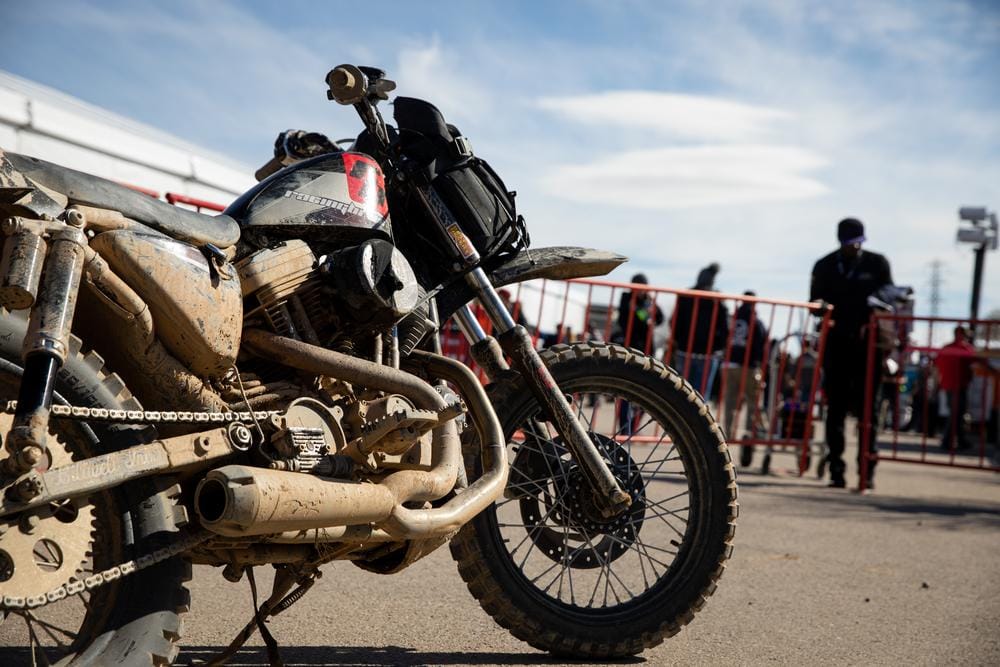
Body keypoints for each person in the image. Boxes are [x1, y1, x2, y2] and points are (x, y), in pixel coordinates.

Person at [810, 218, 893, 489]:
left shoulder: (877, 264)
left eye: (858, 242)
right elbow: (814, 301)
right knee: (835, 411)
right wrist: (820, 307)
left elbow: (889, 294)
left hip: (870, 348)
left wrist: (886, 299)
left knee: (869, 411)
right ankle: (836, 468)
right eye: (849, 243)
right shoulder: (824, 266)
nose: (855, 247)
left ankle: (867, 469)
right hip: (837, 347)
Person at [672, 263, 729, 398]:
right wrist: (719, 347)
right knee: (701, 398)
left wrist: (677, 341)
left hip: (686, 351)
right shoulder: (717, 301)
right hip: (706, 353)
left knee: (681, 393)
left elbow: (675, 322)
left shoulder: (686, 296)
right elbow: (725, 328)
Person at [721, 291, 767, 440]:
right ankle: (749, 434)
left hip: (729, 364)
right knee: (753, 401)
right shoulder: (755, 321)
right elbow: (761, 343)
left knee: (730, 401)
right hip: (747, 365)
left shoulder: (731, 318)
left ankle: (727, 434)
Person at [935, 325, 980, 451]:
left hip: (948, 385)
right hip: (959, 385)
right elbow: (977, 361)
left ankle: (960, 440)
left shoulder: (946, 348)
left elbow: (937, 364)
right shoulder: (965, 348)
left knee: (956, 414)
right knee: (956, 414)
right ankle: (947, 441)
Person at [615, 273, 663, 354]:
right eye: (637, 287)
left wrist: (653, 313)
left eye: (642, 287)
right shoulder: (626, 298)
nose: (640, 290)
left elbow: (660, 319)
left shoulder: (649, 301)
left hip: (646, 344)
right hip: (629, 342)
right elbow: (622, 320)